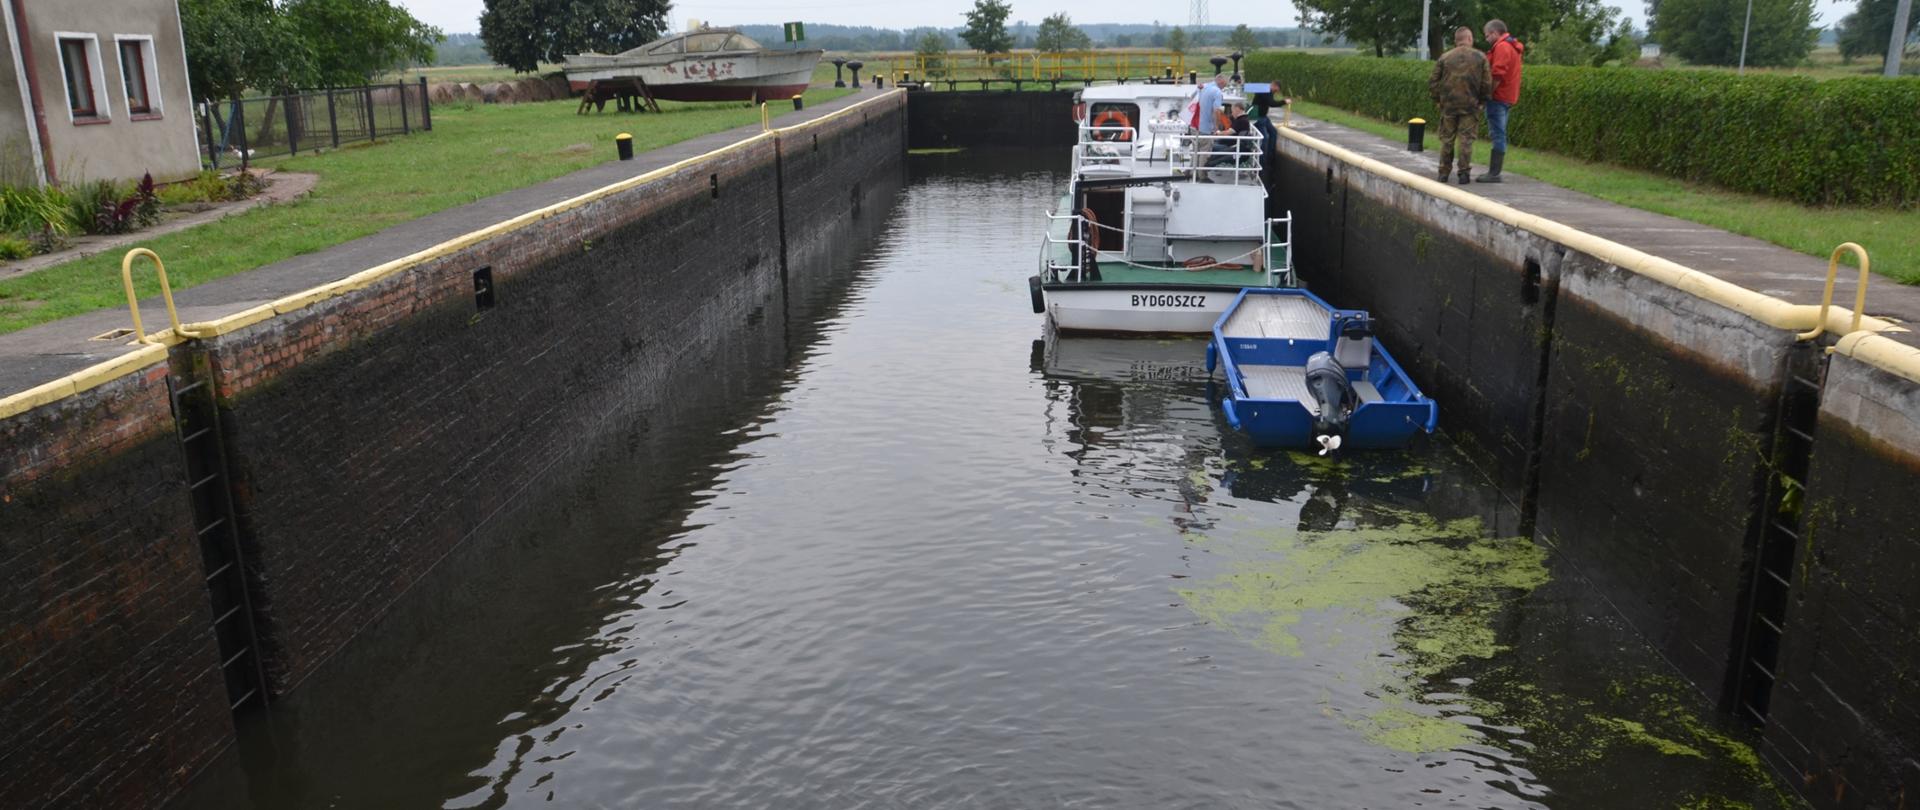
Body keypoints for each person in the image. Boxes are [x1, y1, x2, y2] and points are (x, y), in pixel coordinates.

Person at [1427, 26, 1491, 185]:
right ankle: (1464, 174)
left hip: (1448, 105)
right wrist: (1482, 101)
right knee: (1466, 140)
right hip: (1470, 105)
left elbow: (1433, 81)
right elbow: (1486, 83)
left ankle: (1443, 173)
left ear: (1456, 41)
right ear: (1469, 39)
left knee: (1447, 139)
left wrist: (1437, 100)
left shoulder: (1445, 57)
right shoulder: (1480, 57)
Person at [1478, 19, 1525, 183]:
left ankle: (1494, 173)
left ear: (1495, 32)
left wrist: (1487, 94)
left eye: (1487, 35)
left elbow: (1497, 74)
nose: (1486, 39)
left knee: (1498, 133)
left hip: (1498, 96)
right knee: (1499, 132)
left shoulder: (1502, 47)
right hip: (1508, 95)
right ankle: (1494, 172)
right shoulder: (1512, 46)